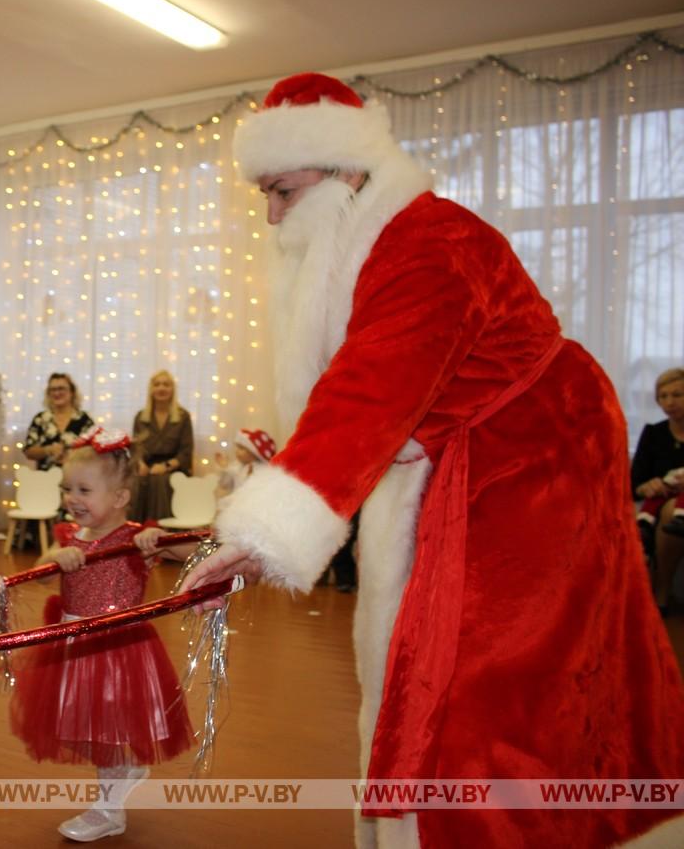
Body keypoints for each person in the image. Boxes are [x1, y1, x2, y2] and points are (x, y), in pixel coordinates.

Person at [179, 73, 684, 847]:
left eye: (282, 192)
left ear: (345, 174)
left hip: (529, 462)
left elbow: (373, 384)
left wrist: (263, 535)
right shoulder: (373, 244)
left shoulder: (430, 240)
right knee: (456, 665)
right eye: (266, 198)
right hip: (467, 456)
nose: (274, 217)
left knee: (492, 674)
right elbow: (364, 390)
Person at [9, 428, 192, 842]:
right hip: (71, 644)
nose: (72, 497)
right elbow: (36, 573)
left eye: (84, 489)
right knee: (74, 726)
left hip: (116, 649)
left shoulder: (132, 539)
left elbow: (192, 550)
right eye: (67, 488)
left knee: (104, 729)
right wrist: (55, 558)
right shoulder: (68, 536)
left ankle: (109, 810)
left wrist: (159, 541)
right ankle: (124, 770)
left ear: (120, 498)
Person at [631, 367, 684, 613]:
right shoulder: (653, 433)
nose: (669, 402)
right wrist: (647, 485)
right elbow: (633, 484)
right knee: (671, 510)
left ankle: (661, 592)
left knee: (674, 509)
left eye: (677, 394)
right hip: (660, 503)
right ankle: (661, 594)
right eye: (663, 396)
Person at [130, 370, 194, 523]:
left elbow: (186, 452)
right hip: (148, 466)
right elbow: (135, 448)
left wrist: (166, 466)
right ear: (151, 389)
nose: (161, 388)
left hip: (174, 467)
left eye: (166, 384)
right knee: (137, 481)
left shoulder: (183, 417)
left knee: (160, 480)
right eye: (157, 384)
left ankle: (160, 529)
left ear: (172, 390)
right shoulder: (140, 417)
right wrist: (140, 464)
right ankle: (135, 528)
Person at [22, 372, 96, 471]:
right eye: (53, 389)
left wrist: (71, 456)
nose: (57, 393)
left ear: (72, 392)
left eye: (61, 388)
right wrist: (48, 450)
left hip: (76, 478)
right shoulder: (40, 419)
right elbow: (28, 451)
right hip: (45, 479)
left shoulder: (84, 419)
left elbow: (93, 451)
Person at [213, 427, 276, 507]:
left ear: (254, 453)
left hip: (250, 504)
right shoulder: (237, 466)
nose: (237, 451)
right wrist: (224, 467)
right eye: (238, 447)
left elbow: (254, 491)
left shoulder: (260, 469)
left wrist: (250, 478)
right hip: (238, 502)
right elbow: (225, 485)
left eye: (241, 448)